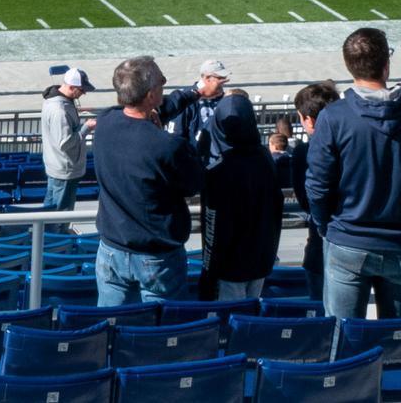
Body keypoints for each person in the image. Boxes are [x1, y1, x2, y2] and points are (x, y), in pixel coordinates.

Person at [307, 26, 401, 319]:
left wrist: (325, 224)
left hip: (349, 239)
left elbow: (318, 184)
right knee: (394, 341)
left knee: (343, 341)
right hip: (398, 239)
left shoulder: (335, 117)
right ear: (386, 64)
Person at [93, 55, 203, 304]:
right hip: (156, 256)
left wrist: (192, 93)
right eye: (161, 83)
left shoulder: (105, 122)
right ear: (151, 95)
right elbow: (193, 184)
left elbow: (135, 122)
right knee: (158, 333)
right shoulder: (166, 145)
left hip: (111, 249)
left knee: (111, 326)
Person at [201, 93, 282, 301]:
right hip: (261, 259)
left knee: (230, 322)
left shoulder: (220, 170)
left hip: (230, 265)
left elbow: (214, 226)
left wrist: (209, 271)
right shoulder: (265, 158)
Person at [41, 67, 91, 211]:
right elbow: (66, 143)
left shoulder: (54, 102)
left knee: (49, 212)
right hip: (64, 170)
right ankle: (58, 233)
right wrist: (86, 127)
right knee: (60, 214)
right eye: (81, 90)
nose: (84, 93)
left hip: (56, 166)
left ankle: (46, 233)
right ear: (71, 87)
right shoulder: (60, 110)